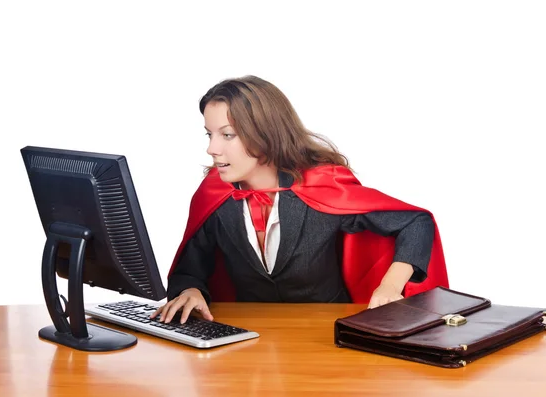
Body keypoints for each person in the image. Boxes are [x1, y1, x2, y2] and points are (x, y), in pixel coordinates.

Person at [152, 75, 448, 324]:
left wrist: (390, 285)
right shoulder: (214, 195)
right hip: (246, 338)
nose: (212, 148)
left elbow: (415, 223)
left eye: (227, 135)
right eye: (209, 134)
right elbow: (190, 268)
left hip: (328, 332)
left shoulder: (323, 186)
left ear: (264, 134)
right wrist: (190, 289)